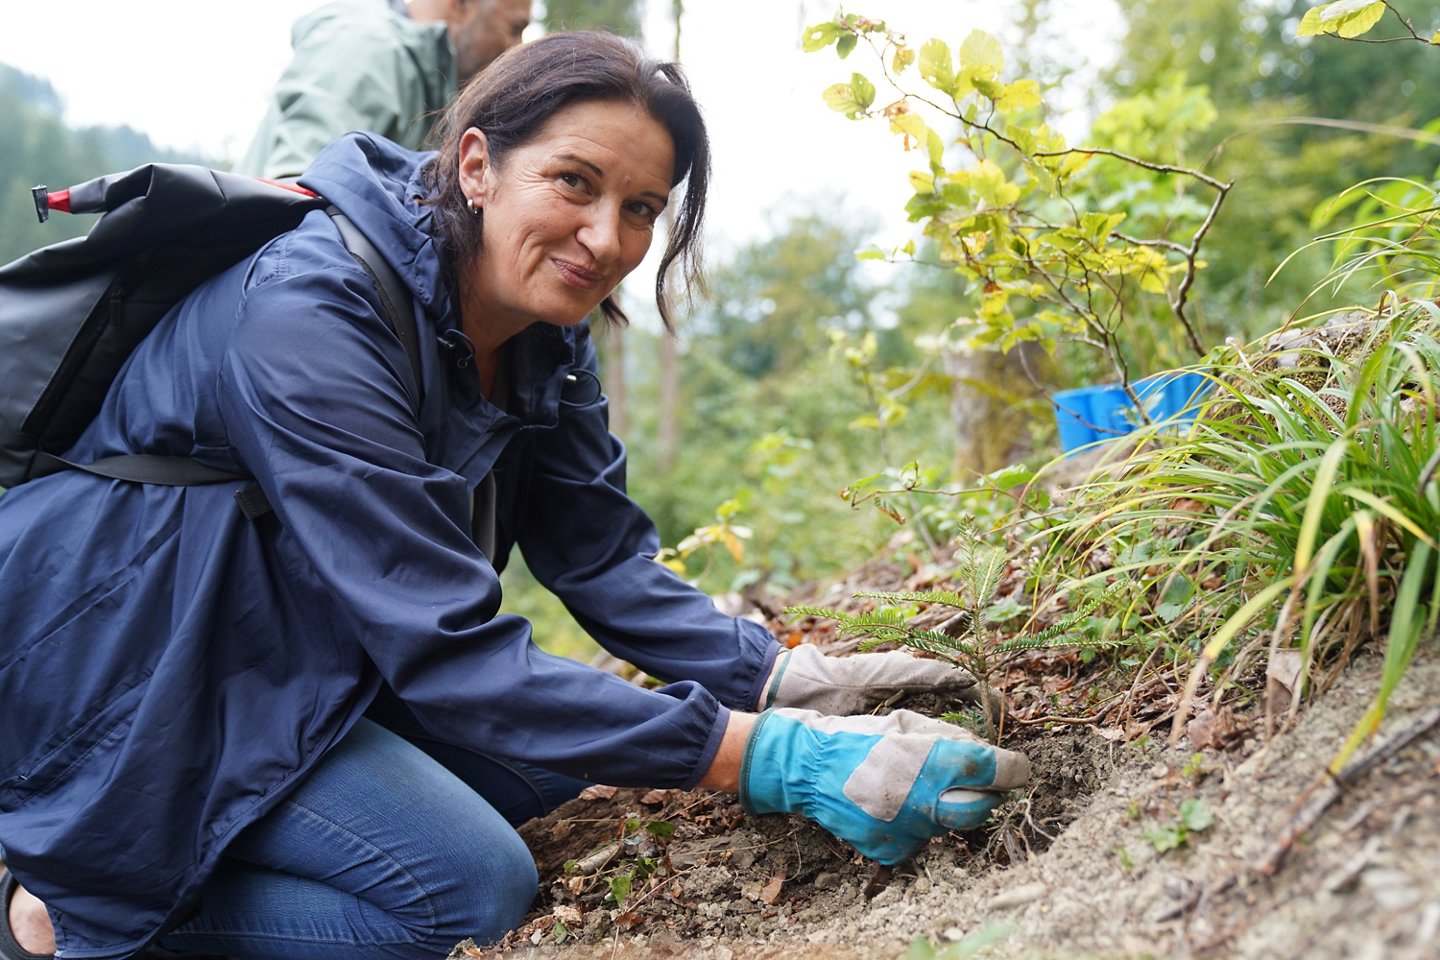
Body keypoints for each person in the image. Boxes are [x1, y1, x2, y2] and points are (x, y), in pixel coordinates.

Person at [0, 32, 1031, 960]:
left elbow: (598, 557)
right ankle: (64, 918)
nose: (604, 238)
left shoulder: (543, 327)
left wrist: (778, 683)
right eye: (574, 183)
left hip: (287, 647)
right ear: (479, 165)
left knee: (556, 765)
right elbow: (448, 651)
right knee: (465, 890)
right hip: (138, 672)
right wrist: (773, 759)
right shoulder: (307, 314)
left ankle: (158, 870)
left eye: (639, 210)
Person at [236, 0, 533, 180]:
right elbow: (298, 188)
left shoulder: (431, 84)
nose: (516, 49)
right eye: (514, 28)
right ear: (460, 4)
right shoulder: (366, 49)